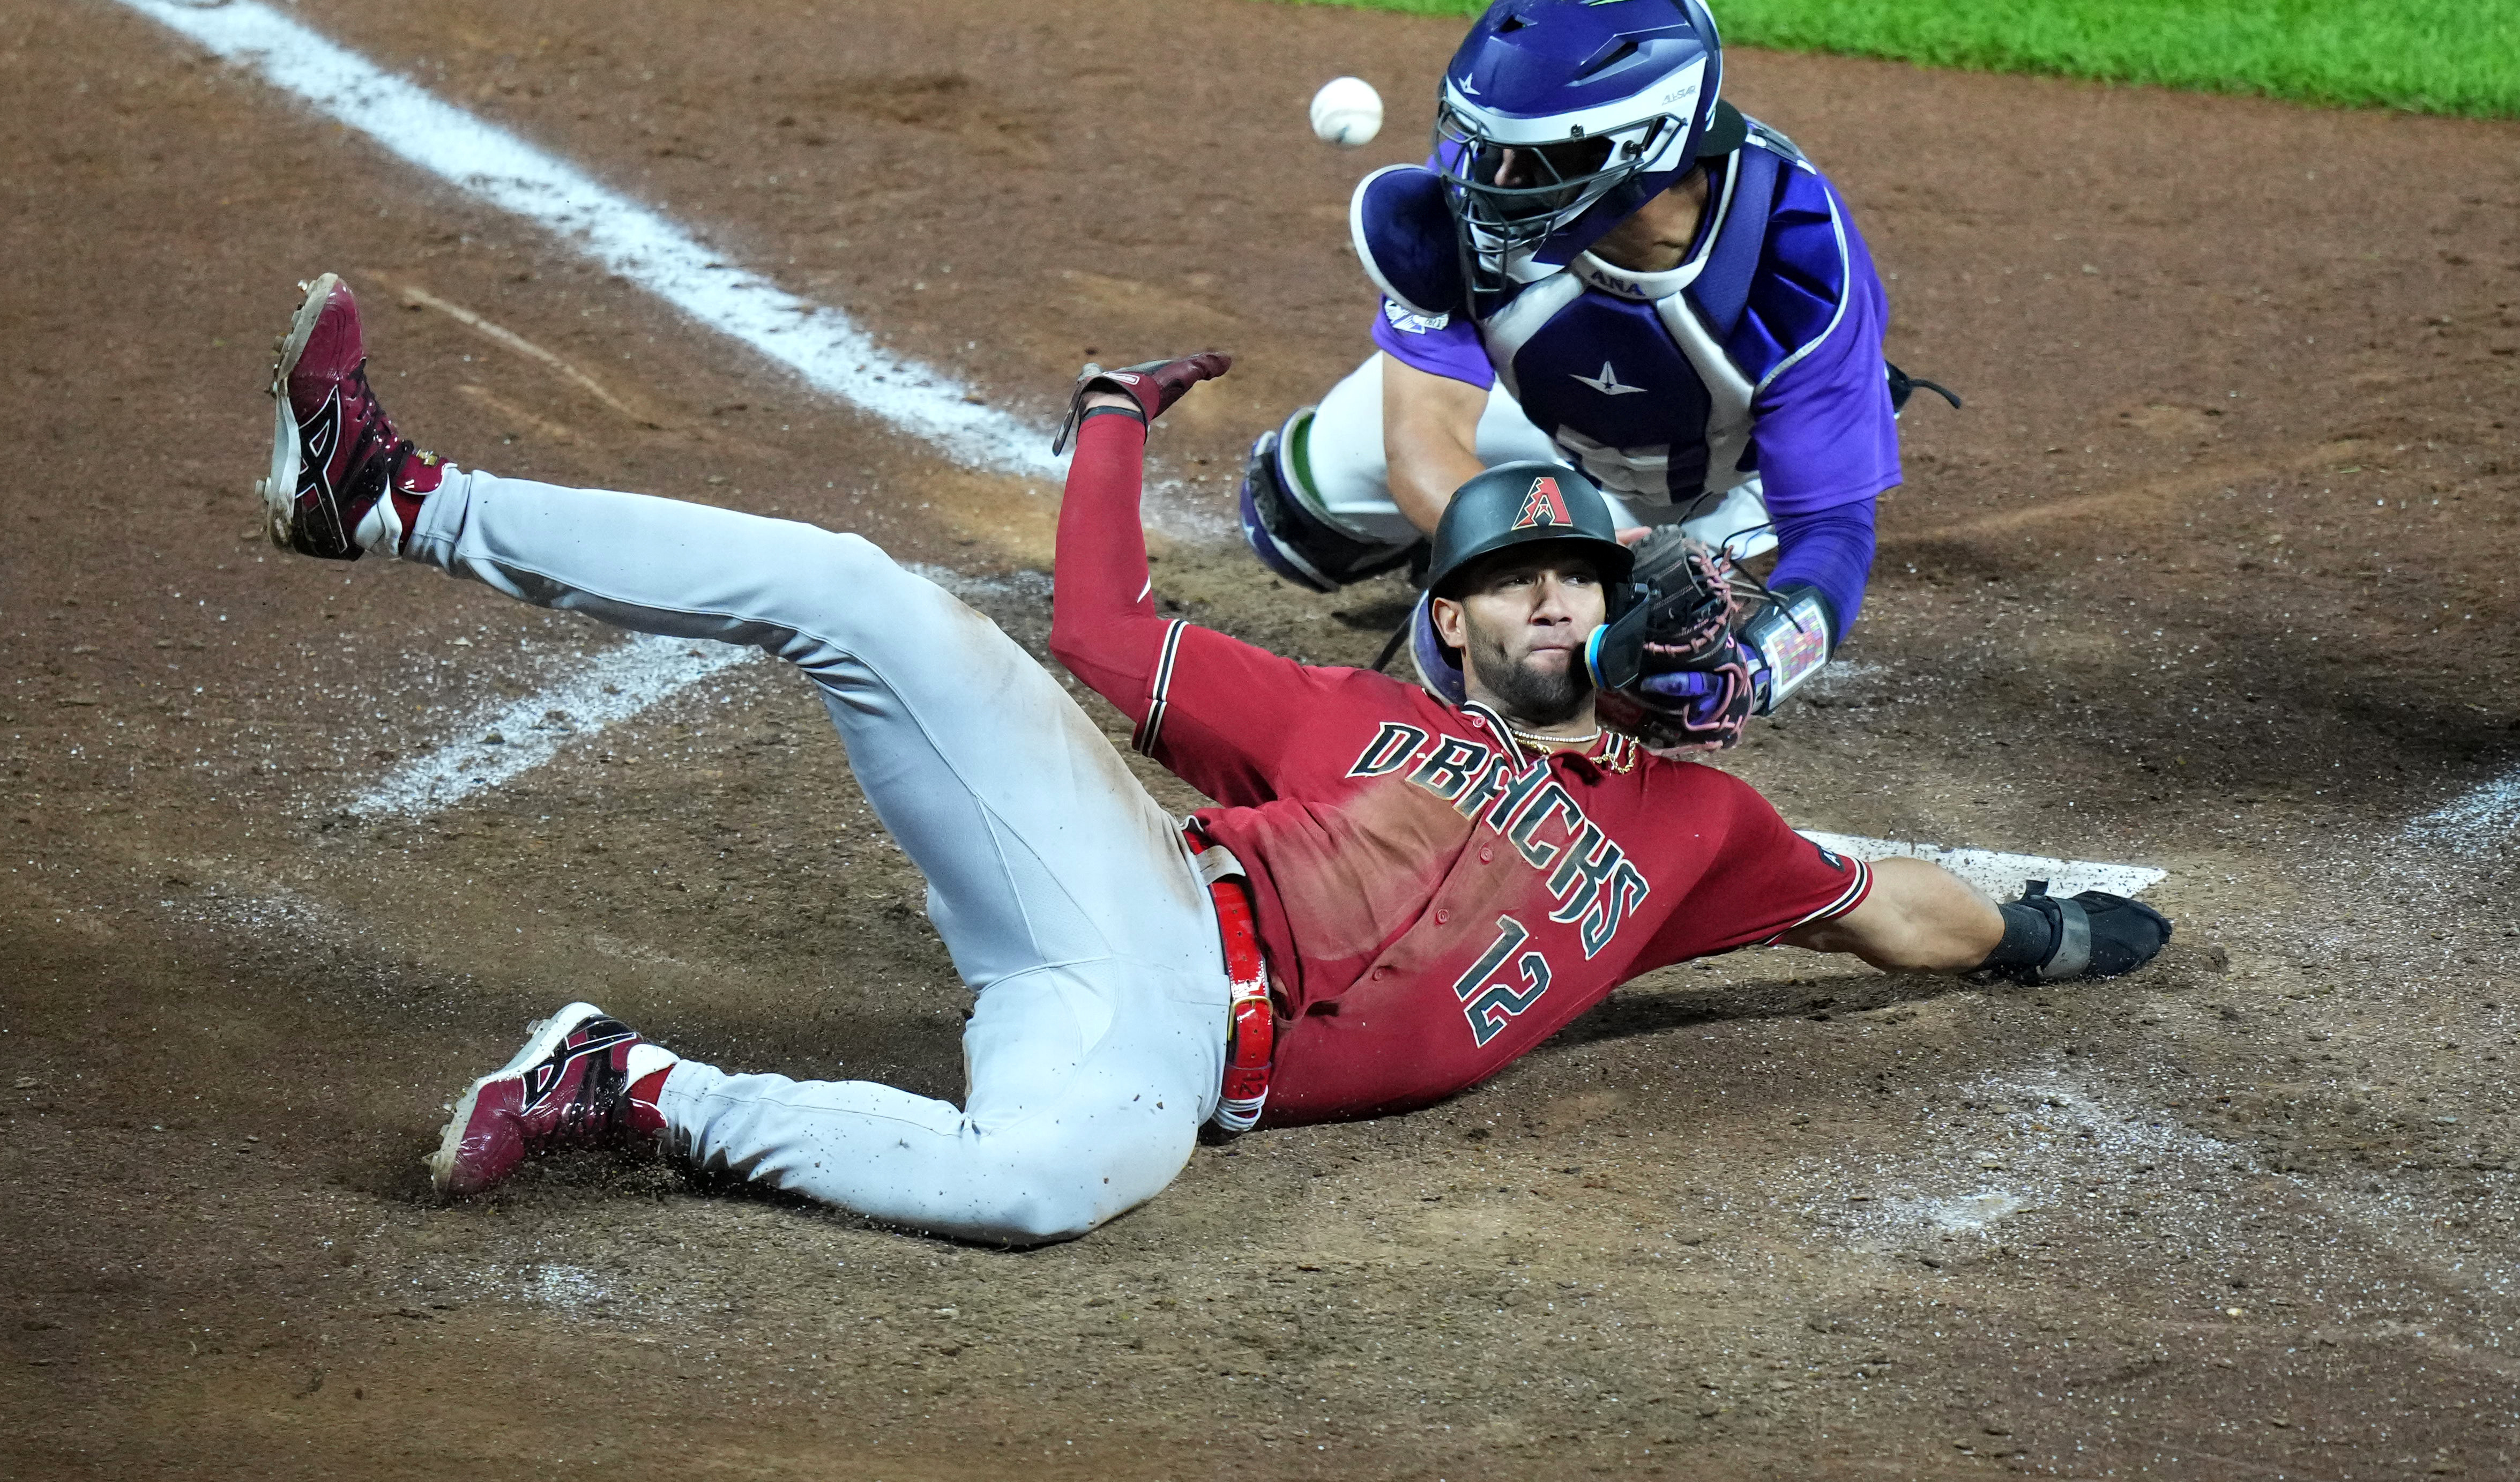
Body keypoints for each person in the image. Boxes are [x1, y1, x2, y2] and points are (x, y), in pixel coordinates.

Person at [257, 274, 2164, 1246]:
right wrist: (1105, 427)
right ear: (1454, 613)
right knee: (855, 591)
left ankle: (627, 1086)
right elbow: (1095, 641)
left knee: (1045, 1187)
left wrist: (2052, 932)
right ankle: (398, 496)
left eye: (1580, 579)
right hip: (1128, 888)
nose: (1556, 608)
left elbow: (1889, 911)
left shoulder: (1701, 830)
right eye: (1515, 583)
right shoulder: (1362, 718)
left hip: (1162, 1063)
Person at [1240, 0, 1955, 711]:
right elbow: (1424, 436)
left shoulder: (1799, 265)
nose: (1493, 181)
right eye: (1493, 146)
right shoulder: (1488, 184)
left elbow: (1832, 535)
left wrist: (1760, 668)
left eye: (1534, 156)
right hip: (1535, 415)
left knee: (1564, 672)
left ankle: (1791, 450)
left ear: (1636, 148)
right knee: (1293, 514)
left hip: (1701, 494)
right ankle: (1486, 533)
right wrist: (1537, 547)